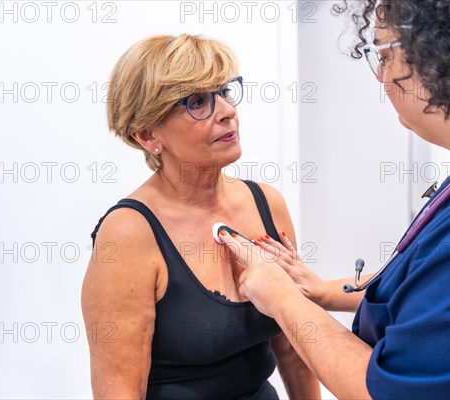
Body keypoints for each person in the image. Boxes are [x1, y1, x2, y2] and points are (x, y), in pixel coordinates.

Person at [218, 1, 450, 398]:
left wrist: (283, 300)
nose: (381, 78)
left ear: (440, 56)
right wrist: (323, 291)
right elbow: (437, 290)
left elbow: (382, 392)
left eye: (383, 54)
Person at [81, 34, 320, 399]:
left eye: (224, 91)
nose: (227, 111)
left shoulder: (266, 203)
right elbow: (119, 392)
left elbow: (293, 349)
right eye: (197, 102)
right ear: (147, 134)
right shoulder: (129, 234)